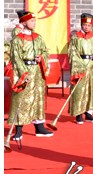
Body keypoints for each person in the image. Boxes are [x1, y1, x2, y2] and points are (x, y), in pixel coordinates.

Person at [8, 11, 53, 140]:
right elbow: (16, 58)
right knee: (21, 99)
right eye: (31, 21)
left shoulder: (38, 37)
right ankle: (18, 129)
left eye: (35, 21)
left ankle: (39, 127)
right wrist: (23, 73)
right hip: (25, 71)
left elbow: (45, 51)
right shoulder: (17, 40)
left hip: (37, 72)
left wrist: (42, 58)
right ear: (23, 22)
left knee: (38, 98)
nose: (34, 23)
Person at [68, 13, 93, 124]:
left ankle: (89, 113)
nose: (87, 27)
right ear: (81, 25)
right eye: (85, 25)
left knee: (91, 90)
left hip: (92, 66)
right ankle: (78, 113)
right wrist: (79, 66)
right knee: (79, 90)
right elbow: (72, 53)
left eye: (89, 25)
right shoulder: (75, 38)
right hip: (80, 66)